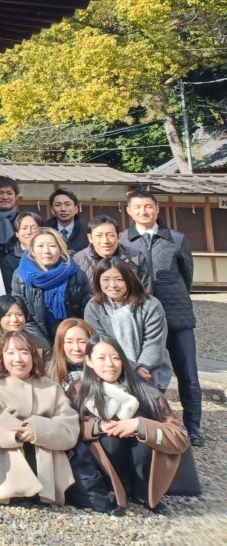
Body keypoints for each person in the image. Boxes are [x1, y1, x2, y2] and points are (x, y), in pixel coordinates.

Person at [69, 336, 191, 514]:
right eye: (101, 358)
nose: (110, 364)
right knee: (110, 439)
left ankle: (143, 494)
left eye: (116, 357)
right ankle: (111, 493)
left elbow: (180, 437)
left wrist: (140, 425)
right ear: (89, 360)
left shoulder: (146, 391)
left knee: (142, 439)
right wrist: (98, 427)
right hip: (102, 471)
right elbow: (69, 426)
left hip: (143, 469)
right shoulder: (79, 390)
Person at [119, 189, 202, 445]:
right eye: (138, 207)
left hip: (176, 316)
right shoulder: (123, 241)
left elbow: (186, 276)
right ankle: (151, 420)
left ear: (157, 209)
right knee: (143, 371)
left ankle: (193, 428)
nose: (144, 211)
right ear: (129, 211)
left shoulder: (176, 239)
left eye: (149, 206)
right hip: (141, 319)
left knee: (187, 373)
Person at [0, 331, 79, 505]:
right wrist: (15, 433)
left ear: (33, 356)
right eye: (10, 353)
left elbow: (69, 427)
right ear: (1, 357)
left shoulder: (52, 387)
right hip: (6, 460)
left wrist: (38, 430)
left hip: (48, 461)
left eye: (24, 352)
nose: (18, 358)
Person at [83, 259, 172, 390]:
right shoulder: (93, 307)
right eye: (106, 280)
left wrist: (140, 368)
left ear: (129, 279)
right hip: (110, 369)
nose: (112, 285)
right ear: (97, 281)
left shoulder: (150, 305)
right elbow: (100, 342)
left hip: (147, 371)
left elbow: (153, 343)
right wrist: (130, 368)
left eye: (119, 279)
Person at [11, 227, 91, 341]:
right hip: (35, 339)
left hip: (70, 338)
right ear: (32, 251)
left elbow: (85, 311)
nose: (46, 251)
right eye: (40, 246)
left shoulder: (76, 274)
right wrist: (44, 345)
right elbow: (22, 315)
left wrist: (67, 339)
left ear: (61, 249)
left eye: (52, 246)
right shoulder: (21, 275)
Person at [73, 214, 148, 288]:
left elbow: (144, 291)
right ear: (90, 238)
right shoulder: (78, 260)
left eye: (110, 235)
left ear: (119, 237)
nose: (105, 241)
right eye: (99, 236)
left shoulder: (136, 257)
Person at [0, 295, 51, 362]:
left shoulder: (40, 343)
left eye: (19, 314)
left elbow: (48, 370)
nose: (15, 319)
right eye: (8, 315)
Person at [0, 175, 21, 290]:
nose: (5, 197)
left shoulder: (24, 220)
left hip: (17, 275)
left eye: (9, 193)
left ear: (16, 197)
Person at [0, 211, 45, 295]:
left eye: (34, 227)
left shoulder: (51, 253)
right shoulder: (9, 260)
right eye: (24, 228)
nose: (29, 232)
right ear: (17, 233)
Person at [47, 318, 94, 391]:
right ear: (61, 345)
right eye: (69, 342)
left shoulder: (101, 372)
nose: (76, 348)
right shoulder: (49, 375)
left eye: (82, 342)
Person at [46, 188, 88, 253]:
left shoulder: (87, 232)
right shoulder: (44, 231)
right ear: (52, 210)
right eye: (58, 205)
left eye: (67, 204)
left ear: (76, 209)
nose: (63, 209)